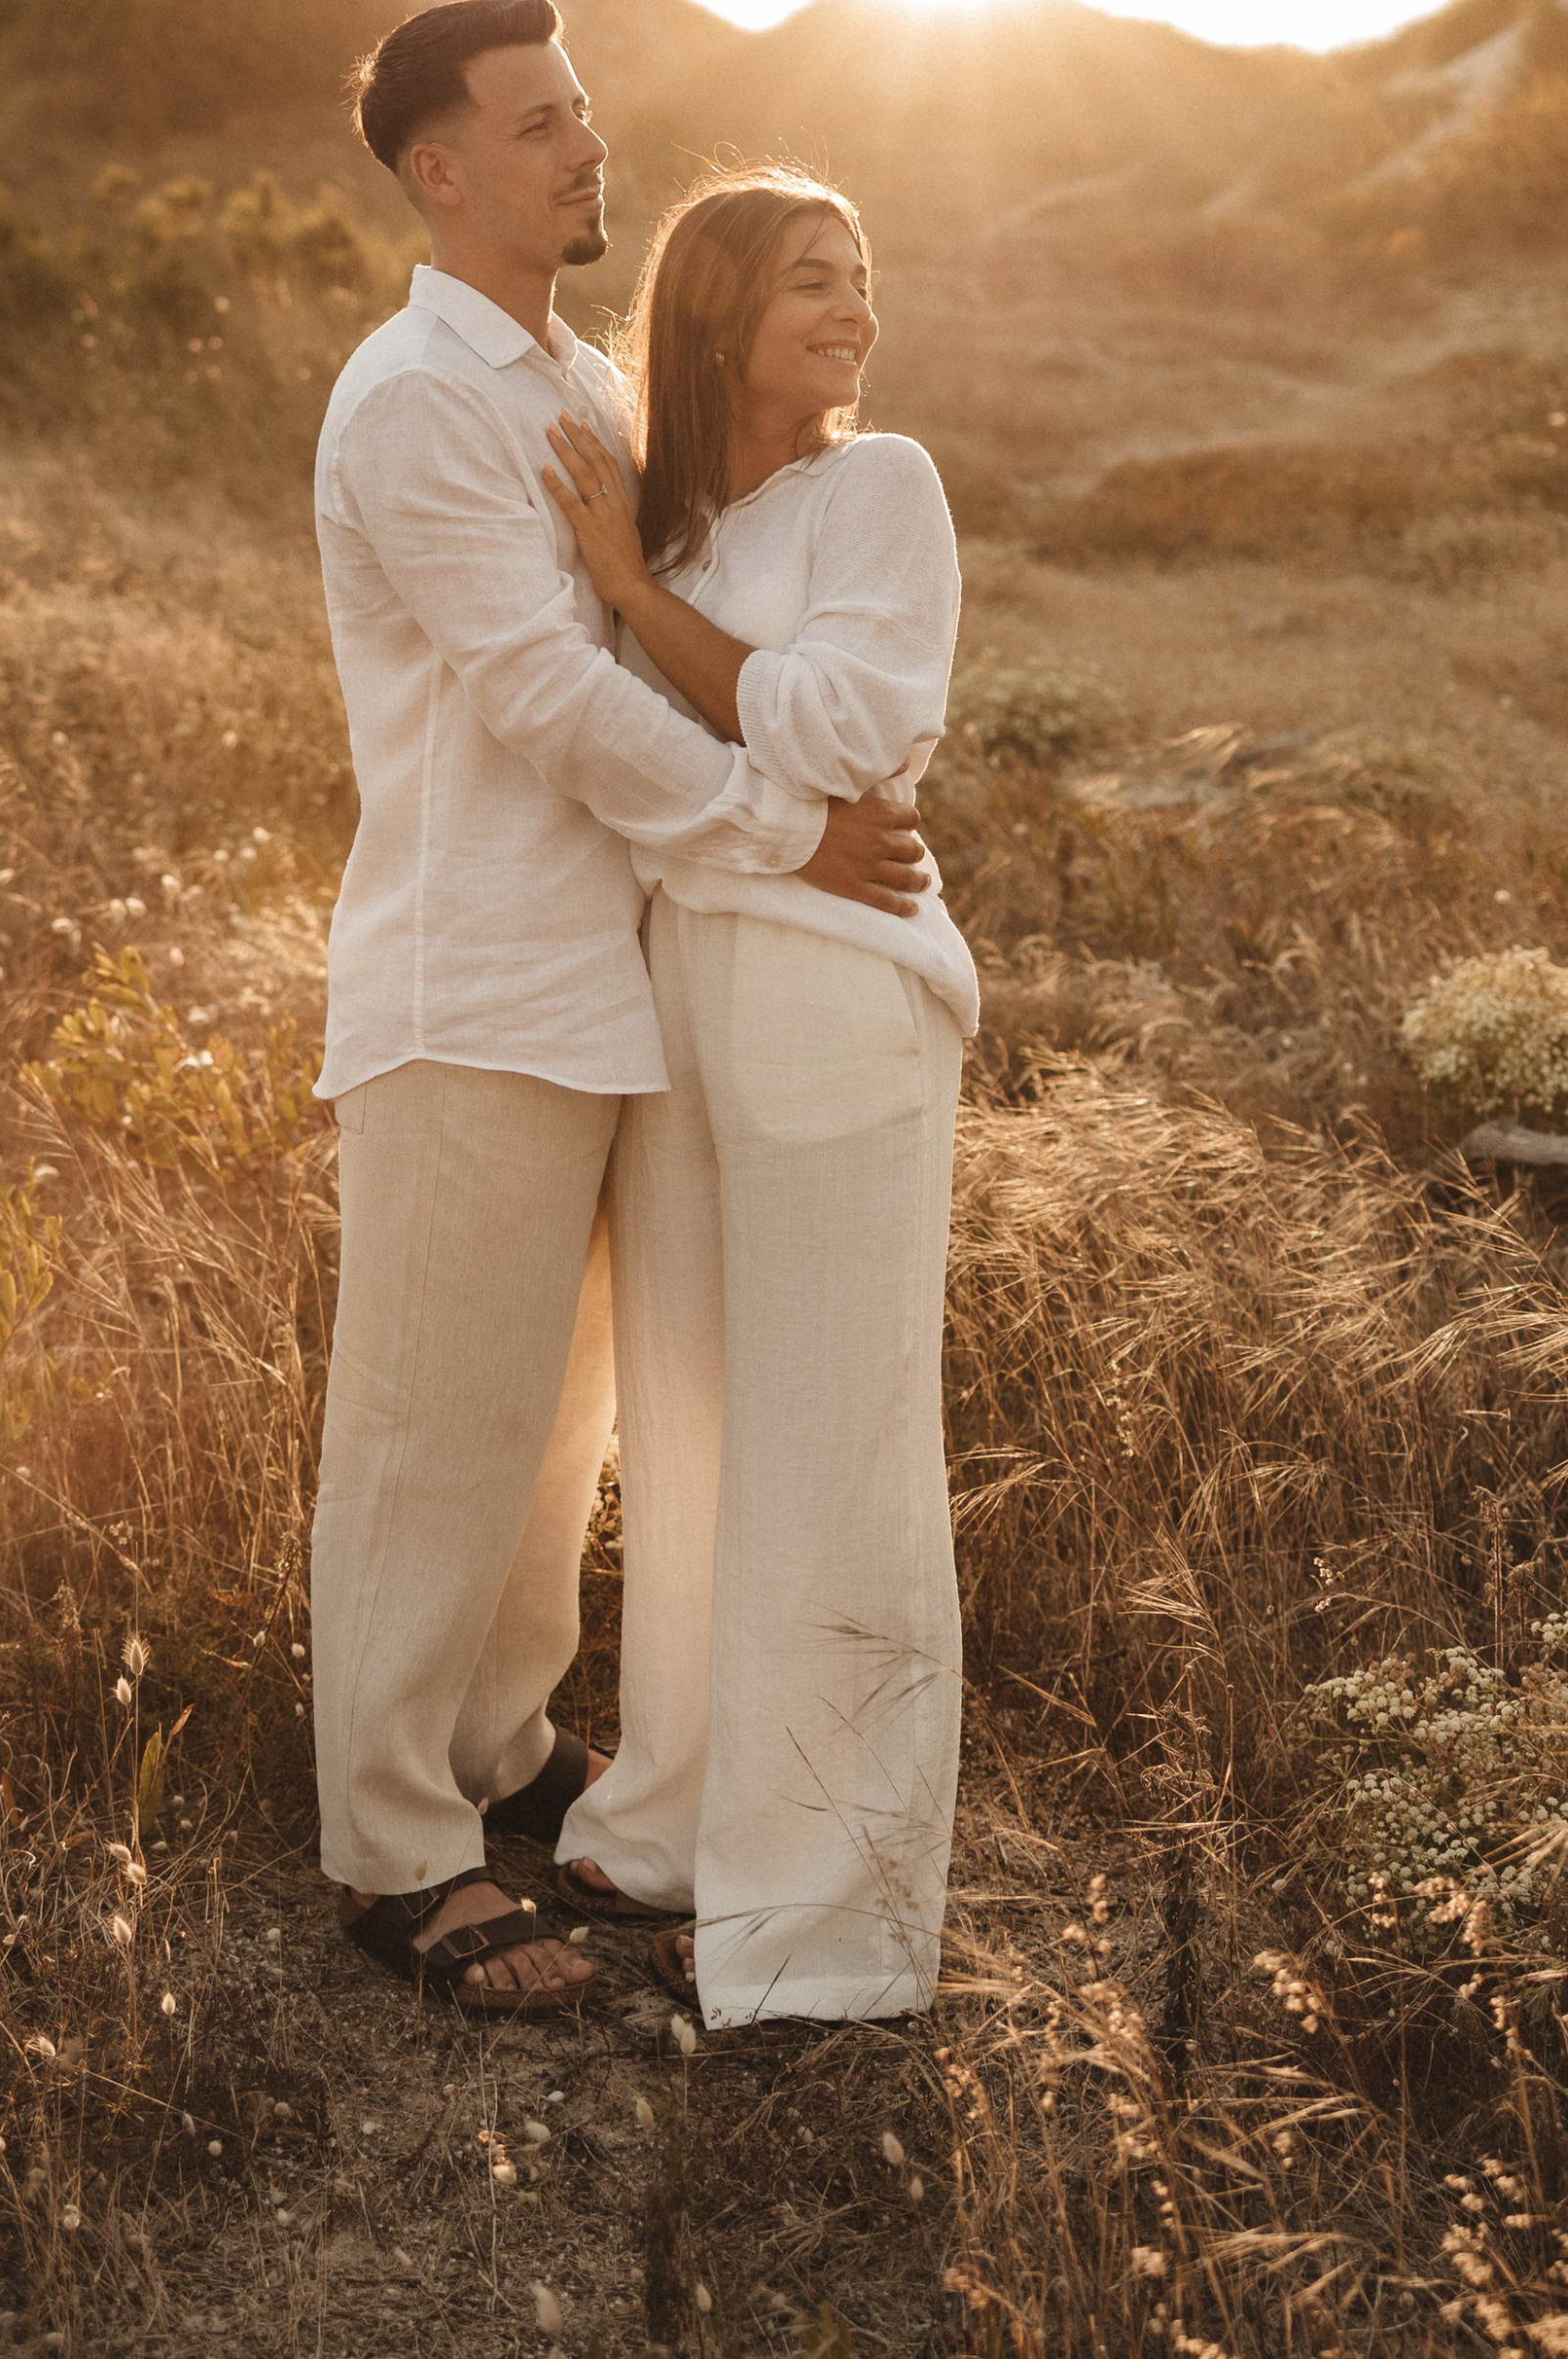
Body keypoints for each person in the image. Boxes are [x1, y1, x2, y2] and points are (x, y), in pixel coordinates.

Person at [309, 0, 931, 2014]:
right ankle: (394, 1844)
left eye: (585, 114)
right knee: (429, 1428)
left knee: (548, 1436)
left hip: (618, 987)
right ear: (441, 171)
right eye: (541, 124)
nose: (589, 151)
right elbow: (549, 692)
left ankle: (496, 1753)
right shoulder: (414, 397)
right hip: (471, 975)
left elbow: (709, 625)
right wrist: (780, 828)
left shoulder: (581, 383)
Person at [539, 169, 977, 2027]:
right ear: (716, 312)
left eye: (864, 278)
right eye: (816, 279)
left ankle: (826, 1912)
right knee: (696, 1422)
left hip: (832, 994)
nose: (856, 308)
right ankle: (686, 1824)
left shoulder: (883, 487)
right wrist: (650, 582)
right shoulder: (690, 515)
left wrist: (637, 598)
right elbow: (656, 740)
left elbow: (842, 726)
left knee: (834, 1439)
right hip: (679, 991)